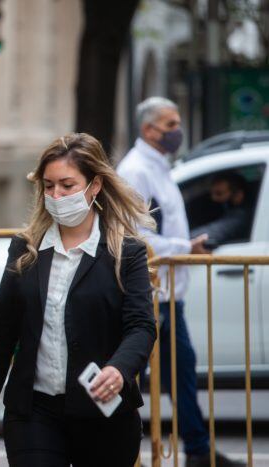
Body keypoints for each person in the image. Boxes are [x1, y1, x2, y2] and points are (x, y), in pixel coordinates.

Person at [0, 133, 157, 466]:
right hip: (33, 412)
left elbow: (141, 325)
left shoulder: (125, 252)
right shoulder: (26, 249)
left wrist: (119, 368)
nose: (56, 195)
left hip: (103, 412)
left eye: (67, 185)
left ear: (94, 185)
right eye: (49, 185)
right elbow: (1, 333)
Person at [117, 97, 244, 467]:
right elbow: (135, 236)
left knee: (180, 374)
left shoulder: (159, 166)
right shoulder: (136, 171)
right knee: (133, 380)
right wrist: (185, 247)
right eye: (170, 124)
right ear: (149, 130)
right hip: (150, 293)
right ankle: (125, 454)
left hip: (169, 293)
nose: (178, 130)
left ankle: (198, 451)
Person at [190, 171, 252, 247]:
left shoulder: (241, 216)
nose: (213, 198)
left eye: (219, 194)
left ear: (238, 195)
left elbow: (215, 231)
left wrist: (182, 239)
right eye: (211, 193)